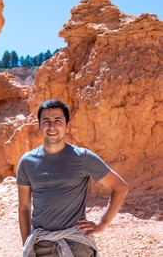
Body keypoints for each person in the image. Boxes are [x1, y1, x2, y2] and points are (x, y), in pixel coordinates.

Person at [16, 99, 129, 257]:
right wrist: (26, 246)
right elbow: (24, 208)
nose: (52, 126)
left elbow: (120, 187)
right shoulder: (27, 162)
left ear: (67, 125)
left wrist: (103, 223)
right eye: (46, 121)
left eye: (58, 120)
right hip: (41, 245)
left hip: (76, 244)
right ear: (39, 125)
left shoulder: (83, 158)